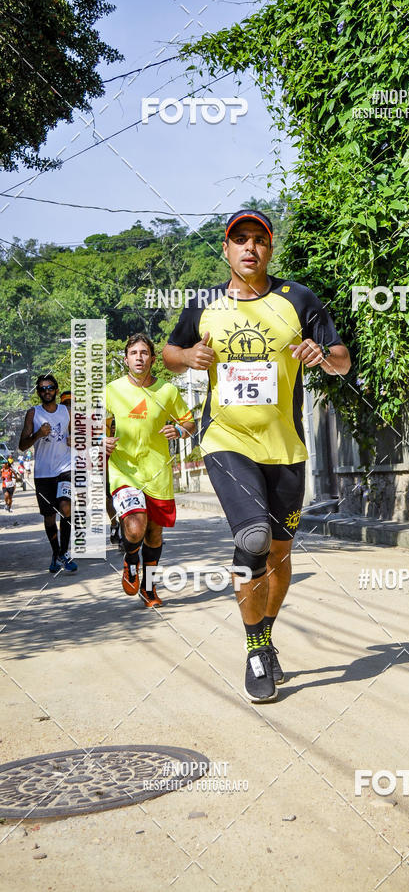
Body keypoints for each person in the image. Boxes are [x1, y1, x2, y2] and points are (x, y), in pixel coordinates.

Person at [162, 209, 351, 702]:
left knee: (279, 553)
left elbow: (342, 360)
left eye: (259, 240)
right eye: (239, 239)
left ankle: (266, 637)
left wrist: (320, 354)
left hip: (286, 447)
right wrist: (189, 358)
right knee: (252, 537)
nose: (250, 247)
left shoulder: (299, 299)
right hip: (226, 441)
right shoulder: (203, 305)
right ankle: (253, 649)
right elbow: (169, 351)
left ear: (270, 249)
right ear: (225, 250)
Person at [105, 333, 195, 607]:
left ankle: (149, 587)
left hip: (158, 473)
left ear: (153, 359)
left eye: (144, 353)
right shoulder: (110, 390)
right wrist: (101, 439)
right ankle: (131, 560)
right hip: (124, 471)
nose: (139, 357)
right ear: (126, 359)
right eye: (134, 353)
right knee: (134, 528)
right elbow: (87, 426)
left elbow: (190, 423)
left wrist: (179, 429)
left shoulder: (167, 391)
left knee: (154, 534)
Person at [19, 374, 77, 573]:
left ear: (56, 390)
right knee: (50, 517)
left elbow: (81, 436)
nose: (47, 391)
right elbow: (21, 445)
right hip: (43, 473)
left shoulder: (68, 411)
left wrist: (74, 440)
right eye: (43, 389)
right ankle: (56, 553)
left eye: (50, 387)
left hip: (65, 469)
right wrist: (37, 434)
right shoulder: (32, 414)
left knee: (66, 508)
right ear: (38, 392)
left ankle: (64, 552)